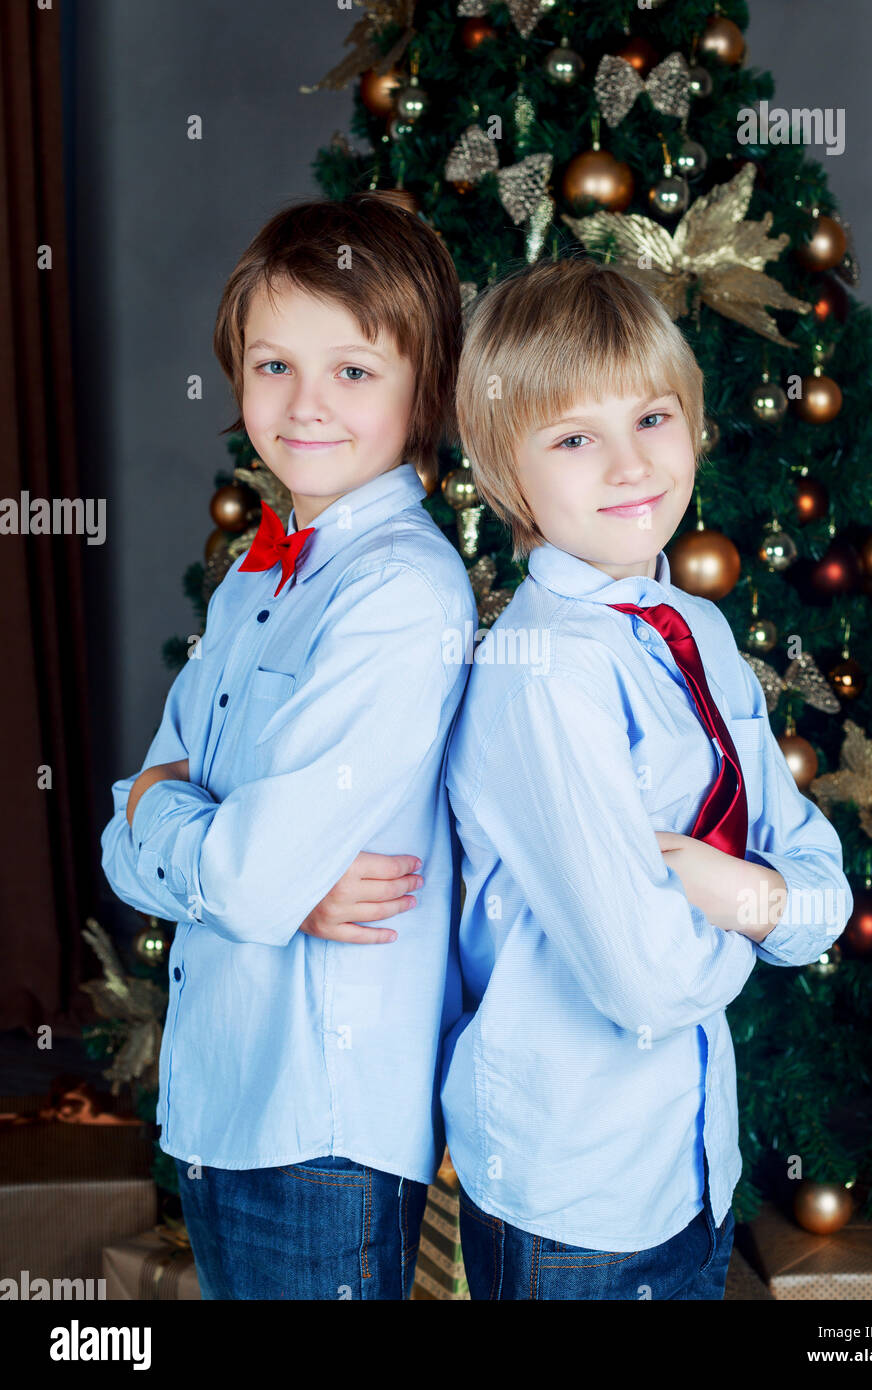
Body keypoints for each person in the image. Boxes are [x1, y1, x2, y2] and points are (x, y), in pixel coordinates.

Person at [442, 256, 853, 1300]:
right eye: (574, 438)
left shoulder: (698, 631)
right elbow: (646, 983)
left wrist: (732, 890)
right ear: (505, 472)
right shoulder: (541, 674)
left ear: (696, 425)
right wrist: (770, 910)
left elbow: (819, 885)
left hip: (691, 1165)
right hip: (575, 1196)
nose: (628, 466)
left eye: (652, 418)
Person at [100, 194, 476, 1300]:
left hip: (320, 1129)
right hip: (223, 1101)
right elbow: (128, 840)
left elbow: (219, 859)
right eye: (273, 365)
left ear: (427, 388)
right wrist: (211, 847)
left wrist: (196, 834)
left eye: (352, 370)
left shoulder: (400, 591)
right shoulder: (255, 577)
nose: (304, 404)